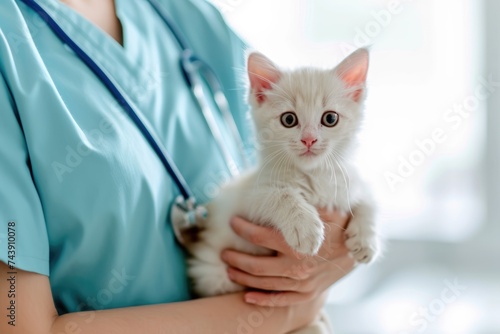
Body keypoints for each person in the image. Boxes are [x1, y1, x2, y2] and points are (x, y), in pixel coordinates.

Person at [0, 0, 355, 333]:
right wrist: (286, 311)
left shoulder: (182, 13)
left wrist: (342, 241)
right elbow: (23, 326)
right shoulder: (9, 42)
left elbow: (307, 151)